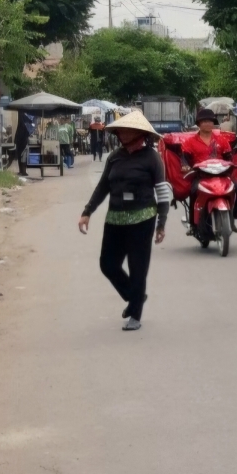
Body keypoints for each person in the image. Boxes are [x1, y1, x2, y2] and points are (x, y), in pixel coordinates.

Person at [77, 111, 171, 331]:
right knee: (107, 264)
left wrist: (162, 223)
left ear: (140, 133)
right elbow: (103, 187)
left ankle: (135, 314)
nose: (125, 133)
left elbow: (162, 191)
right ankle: (134, 295)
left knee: (138, 268)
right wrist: (87, 211)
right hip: (116, 219)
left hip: (143, 218)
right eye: (122, 130)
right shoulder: (115, 157)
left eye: (129, 130)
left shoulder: (151, 157)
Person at [181, 108, 237, 232]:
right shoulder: (190, 142)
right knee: (193, 192)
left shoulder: (222, 140)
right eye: (204, 121)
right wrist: (185, 165)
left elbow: (229, 157)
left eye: (210, 121)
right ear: (199, 124)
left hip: (221, 176)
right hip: (201, 176)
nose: (208, 124)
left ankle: (233, 215)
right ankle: (194, 224)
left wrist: (232, 164)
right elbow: (184, 158)